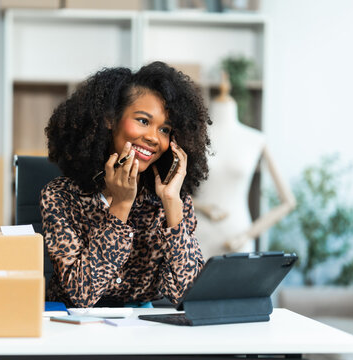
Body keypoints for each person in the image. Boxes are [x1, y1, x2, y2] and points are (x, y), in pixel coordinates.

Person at [41, 61, 211, 308]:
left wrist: (173, 205)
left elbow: (189, 296)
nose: (154, 137)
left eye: (165, 129)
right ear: (111, 119)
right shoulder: (60, 196)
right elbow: (82, 294)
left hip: (141, 330)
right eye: (143, 121)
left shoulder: (168, 198)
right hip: (72, 328)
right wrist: (121, 205)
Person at [194, 74, 296, 259]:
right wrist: (200, 206)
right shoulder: (193, 138)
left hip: (238, 236)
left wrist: (247, 235)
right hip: (197, 235)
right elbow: (167, 191)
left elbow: (288, 201)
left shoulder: (255, 139)